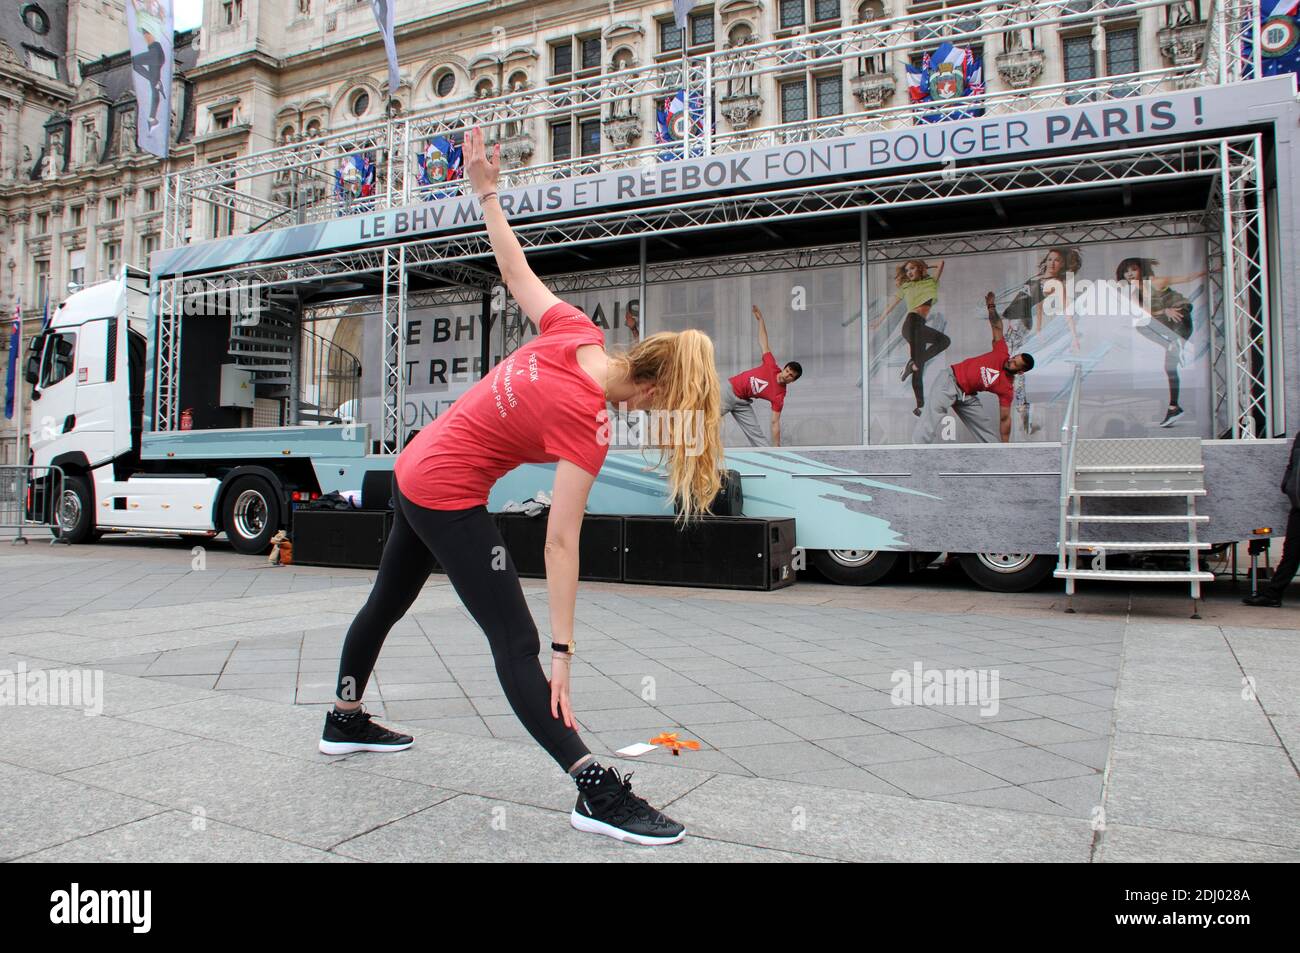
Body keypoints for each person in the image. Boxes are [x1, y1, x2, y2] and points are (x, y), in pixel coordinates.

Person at [320, 127, 725, 846]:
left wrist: (486, 191)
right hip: (442, 491)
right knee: (517, 637)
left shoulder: (575, 331)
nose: (663, 415)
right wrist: (563, 652)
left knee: (385, 601)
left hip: (417, 467)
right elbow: (560, 538)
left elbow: (515, 272)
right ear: (657, 381)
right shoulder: (589, 425)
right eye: (671, 403)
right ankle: (593, 786)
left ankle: (343, 718)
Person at [913, 291, 1035, 444]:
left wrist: (1006, 446)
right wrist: (991, 306)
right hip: (950, 381)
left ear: (1020, 371)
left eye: (1015, 364)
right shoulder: (1002, 352)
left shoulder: (1007, 389)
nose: (1010, 361)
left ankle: (1000, 458)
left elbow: (1005, 419)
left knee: (986, 432)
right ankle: (916, 458)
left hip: (966, 395)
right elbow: (997, 326)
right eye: (1013, 358)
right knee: (928, 422)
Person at [999, 246, 1081, 435]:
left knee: (1017, 374)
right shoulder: (1037, 279)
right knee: (1011, 372)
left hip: (1018, 328)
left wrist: (1074, 337)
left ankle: (1023, 416)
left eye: (1057, 260)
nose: (1052, 263)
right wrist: (1038, 330)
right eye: (1050, 259)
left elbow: (1066, 311)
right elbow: (1039, 307)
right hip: (1012, 325)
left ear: (1062, 265)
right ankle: (1023, 415)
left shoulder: (1056, 283)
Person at [1118, 257, 1203, 428]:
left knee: (1172, 324)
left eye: (1133, 269)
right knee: (1168, 366)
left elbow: (1187, 278)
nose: (1129, 274)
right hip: (1165, 322)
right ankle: (1174, 407)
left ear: (1141, 270)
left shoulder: (1156, 282)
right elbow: (1146, 314)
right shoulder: (1135, 295)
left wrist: (1209, 270)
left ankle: (1176, 344)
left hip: (1180, 317)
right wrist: (1164, 309)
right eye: (1126, 271)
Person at [871, 259, 950, 415]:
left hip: (919, 325)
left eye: (912, 269)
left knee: (937, 348)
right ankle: (918, 396)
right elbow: (891, 306)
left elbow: (940, 263)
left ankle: (919, 402)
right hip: (911, 324)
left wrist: (926, 266)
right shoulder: (906, 286)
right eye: (907, 271)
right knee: (938, 346)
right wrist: (879, 321)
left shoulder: (931, 282)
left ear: (920, 268)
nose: (909, 273)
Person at [720, 304, 801, 447]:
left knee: (758, 437)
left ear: (792, 381)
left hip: (742, 402)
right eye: (787, 371)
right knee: (706, 421)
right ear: (784, 368)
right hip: (728, 392)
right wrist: (760, 320)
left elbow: (775, 422)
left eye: (791, 376)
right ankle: (684, 453)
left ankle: (773, 459)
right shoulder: (771, 365)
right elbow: (764, 343)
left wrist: (777, 447)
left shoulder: (779, 396)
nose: (787, 375)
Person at [1243, 432, 1300, 607]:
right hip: (1298, 506)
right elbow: (1291, 465)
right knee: (1291, 553)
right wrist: (1287, 485)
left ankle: (1273, 594)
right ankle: (1273, 595)